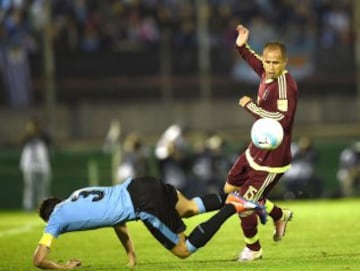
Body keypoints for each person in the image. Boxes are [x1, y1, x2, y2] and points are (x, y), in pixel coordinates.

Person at [33, 176, 266, 269]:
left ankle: (231, 206)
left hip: (143, 203)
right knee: (189, 208)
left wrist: (64, 268)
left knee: (183, 250)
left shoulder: (55, 219)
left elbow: (38, 260)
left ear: (49, 215)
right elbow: (119, 223)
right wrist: (131, 257)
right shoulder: (78, 193)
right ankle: (237, 198)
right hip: (140, 183)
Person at [223, 24, 298, 261]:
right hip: (255, 149)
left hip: (272, 159)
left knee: (243, 205)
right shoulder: (265, 71)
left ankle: (253, 250)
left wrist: (251, 106)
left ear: (285, 62)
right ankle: (278, 214)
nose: (270, 66)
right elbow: (254, 60)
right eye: (268, 62)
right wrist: (241, 45)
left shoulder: (286, 86)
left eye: (276, 62)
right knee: (230, 189)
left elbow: (283, 120)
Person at [20, 117, 52, 211]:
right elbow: (22, 142)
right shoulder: (27, 137)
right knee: (29, 188)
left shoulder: (43, 137)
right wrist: (30, 133)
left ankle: (43, 207)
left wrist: (39, 132)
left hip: (43, 166)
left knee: (42, 188)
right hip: (29, 166)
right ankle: (28, 207)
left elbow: (49, 142)